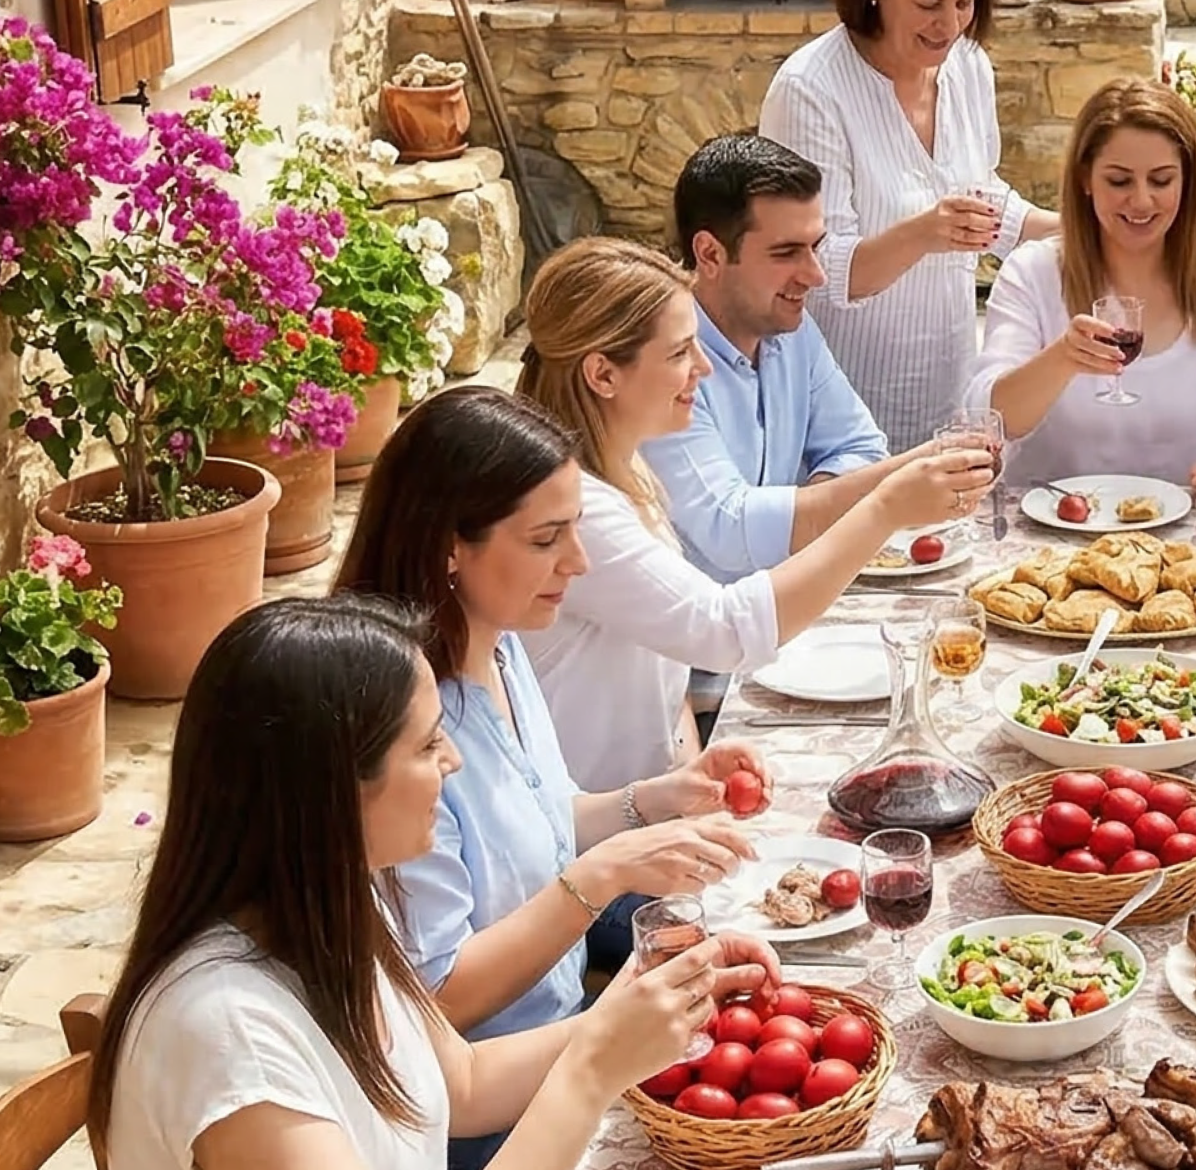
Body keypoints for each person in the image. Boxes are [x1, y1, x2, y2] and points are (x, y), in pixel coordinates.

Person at [87, 595, 778, 1170]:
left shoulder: (337, 908)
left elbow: (464, 1085)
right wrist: (592, 1068)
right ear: (330, 789)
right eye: (425, 744)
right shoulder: (229, 1039)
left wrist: (659, 1001)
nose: (452, 760)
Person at [334, 388, 775, 1168]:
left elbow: (536, 823)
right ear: (449, 546)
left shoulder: (501, 644)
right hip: (499, 1120)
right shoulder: (394, 741)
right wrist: (593, 884)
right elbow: (438, 998)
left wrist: (646, 802)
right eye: (546, 539)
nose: (579, 561)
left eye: (575, 527)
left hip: (568, 1045)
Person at [517, 235, 992, 790]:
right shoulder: (578, 508)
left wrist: (689, 772)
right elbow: (724, 630)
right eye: (678, 354)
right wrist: (883, 509)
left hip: (648, 811)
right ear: (602, 375)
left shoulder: (627, 473)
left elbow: (664, 663)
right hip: (593, 840)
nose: (704, 368)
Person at [761, 0, 1059, 450]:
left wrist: (1086, 229)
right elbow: (812, 267)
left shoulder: (968, 66)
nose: (949, 25)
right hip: (843, 403)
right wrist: (926, 232)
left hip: (948, 380)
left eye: (965, 3)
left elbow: (984, 199)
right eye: (929, 5)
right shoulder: (810, 90)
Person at [644, 133, 957, 588]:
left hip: (779, 620)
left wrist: (814, 505)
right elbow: (729, 529)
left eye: (816, 246)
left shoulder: (791, 332)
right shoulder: (657, 360)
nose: (815, 274)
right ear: (709, 253)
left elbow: (861, 446)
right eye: (787, 252)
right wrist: (909, 475)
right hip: (690, 651)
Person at [963, 76, 1196, 501]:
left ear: (1187, 183)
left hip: (1188, 546)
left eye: (1161, 180)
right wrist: (1062, 359)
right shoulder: (1033, 274)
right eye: (1119, 181)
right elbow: (990, 419)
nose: (1142, 201)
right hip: (1049, 546)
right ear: (1085, 179)